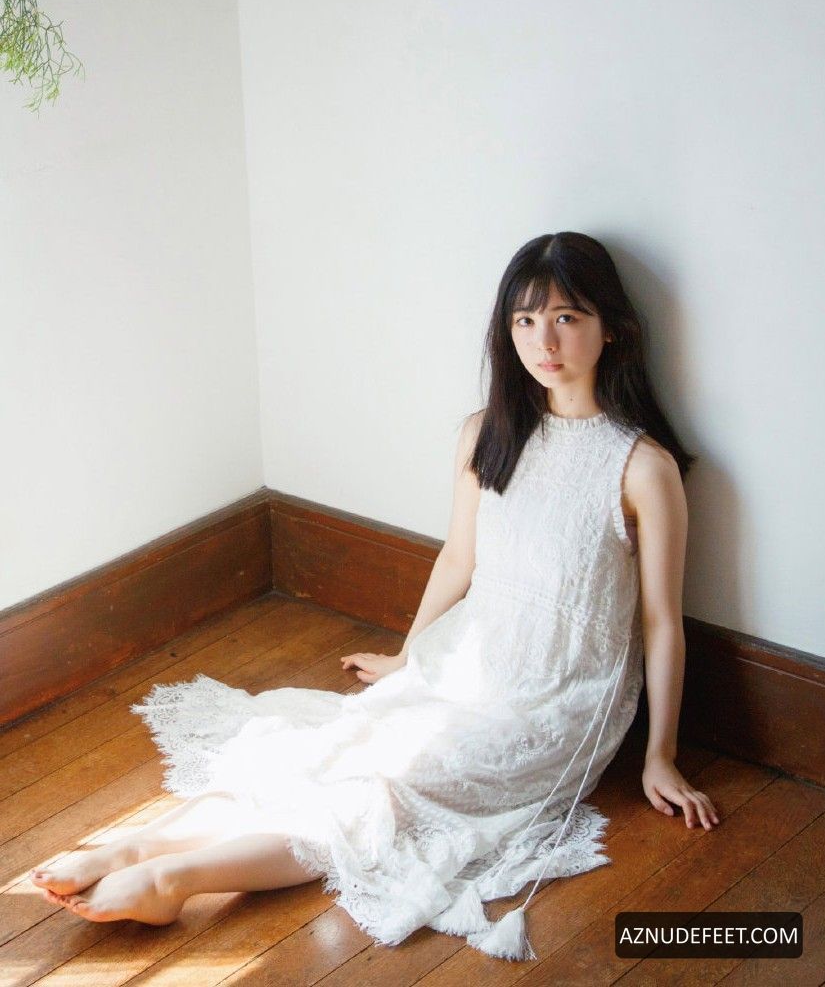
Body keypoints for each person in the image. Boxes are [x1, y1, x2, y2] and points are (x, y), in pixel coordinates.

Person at [30, 231, 719, 961]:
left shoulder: (640, 467)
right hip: (469, 662)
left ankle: (178, 880)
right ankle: (138, 846)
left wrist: (660, 754)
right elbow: (459, 558)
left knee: (393, 791)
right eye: (524, 320)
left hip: (553, 700)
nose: (542, 341)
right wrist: (409, 656)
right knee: (332, 751)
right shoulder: (488, 433)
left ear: (611, 328)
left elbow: (659, 623)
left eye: (566, 318)